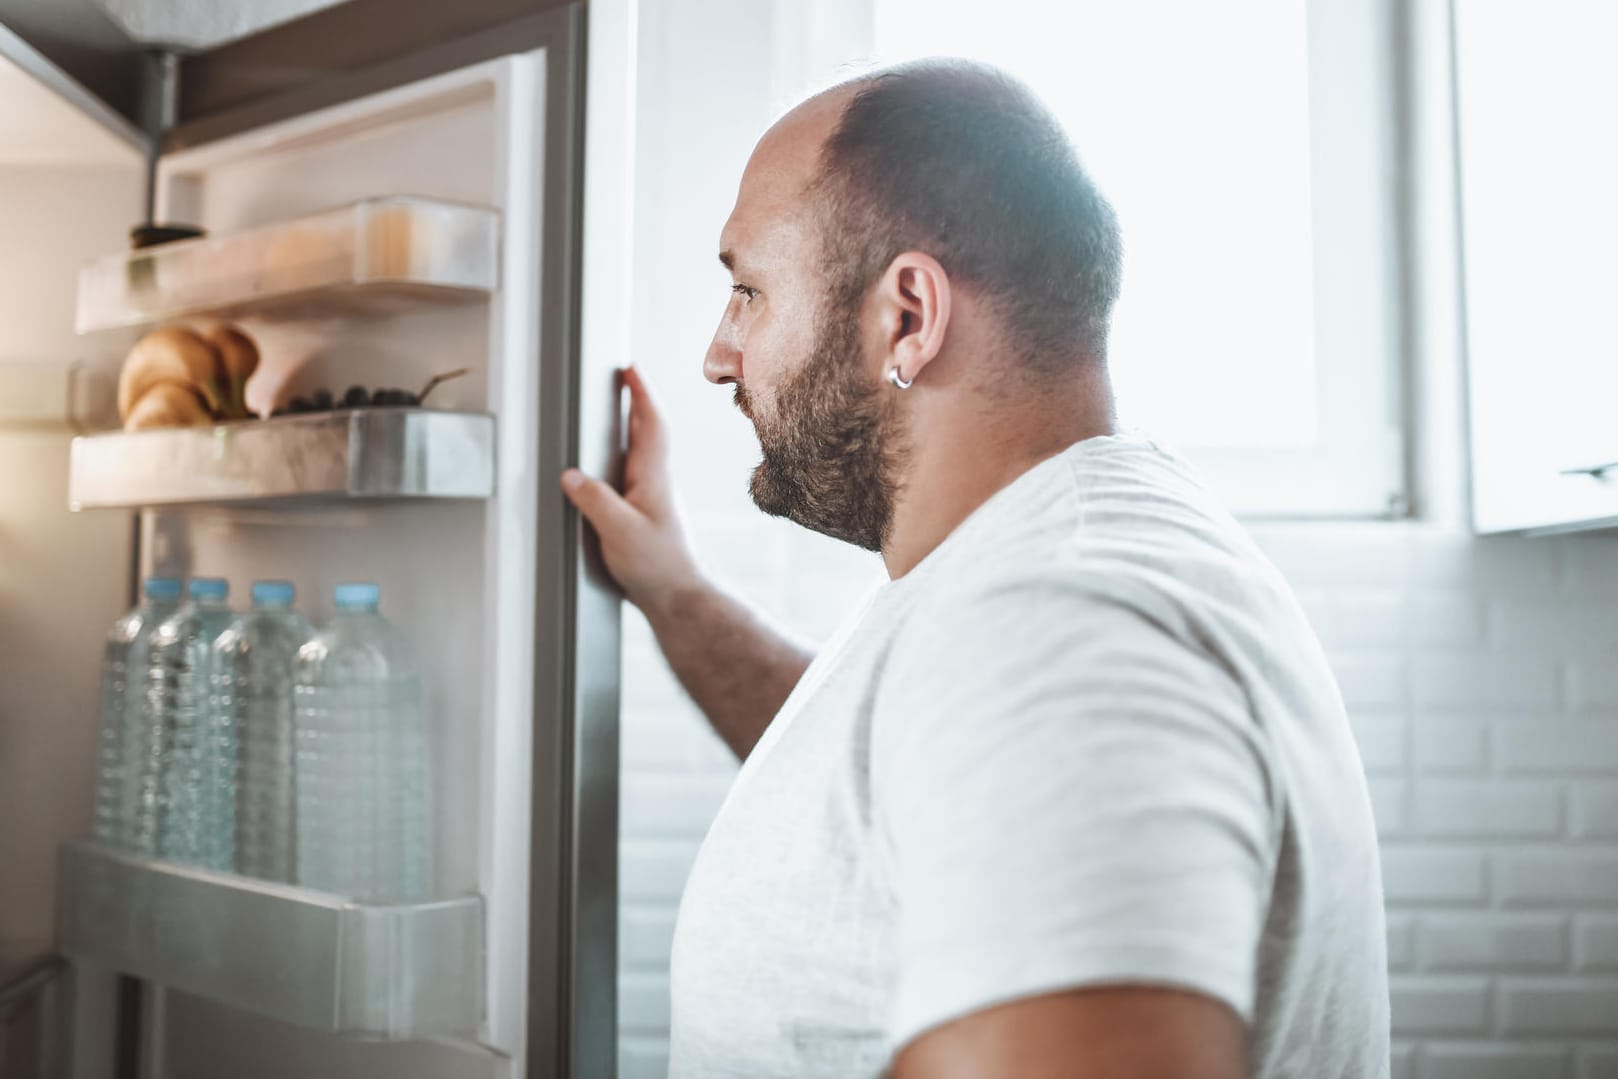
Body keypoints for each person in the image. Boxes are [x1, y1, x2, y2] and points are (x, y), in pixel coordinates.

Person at [561, 57, 1389, 1079]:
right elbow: (879, 784)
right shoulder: (1027, 566)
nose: (718, 356)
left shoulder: (1059, 623)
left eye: (748, 291)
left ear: (906, 314)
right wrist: (674, 592)